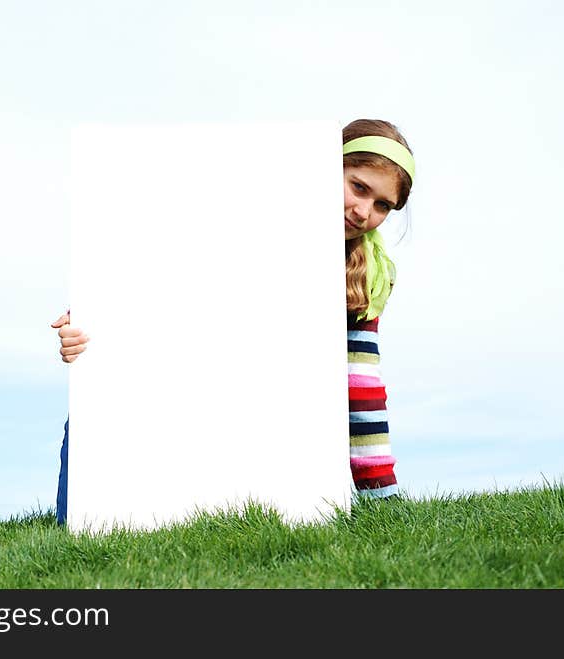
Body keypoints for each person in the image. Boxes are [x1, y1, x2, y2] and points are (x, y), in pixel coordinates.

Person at [50, 118, 414, 525]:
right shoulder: (236, 216)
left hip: (257, 429)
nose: (364, 211)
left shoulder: (368, 275)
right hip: (164, 403)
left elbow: (360, 383)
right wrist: (85, 332)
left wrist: (381, 498)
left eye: (383, 204)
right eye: (358, 187)